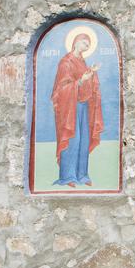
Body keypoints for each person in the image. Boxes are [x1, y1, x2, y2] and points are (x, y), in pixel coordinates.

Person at [51, 32, 103, 188]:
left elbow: (86, 84)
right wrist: (81, 80)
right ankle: (68, 176)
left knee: (84, 140)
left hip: (83, 106)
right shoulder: (65, 62)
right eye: (84, 43)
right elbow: (62, 88)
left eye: (88, 45)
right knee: (73, 139)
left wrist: (91, 73)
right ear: (75, 43)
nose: (86, 47)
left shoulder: (82, 62)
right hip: (70, 109)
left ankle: (82, 175)